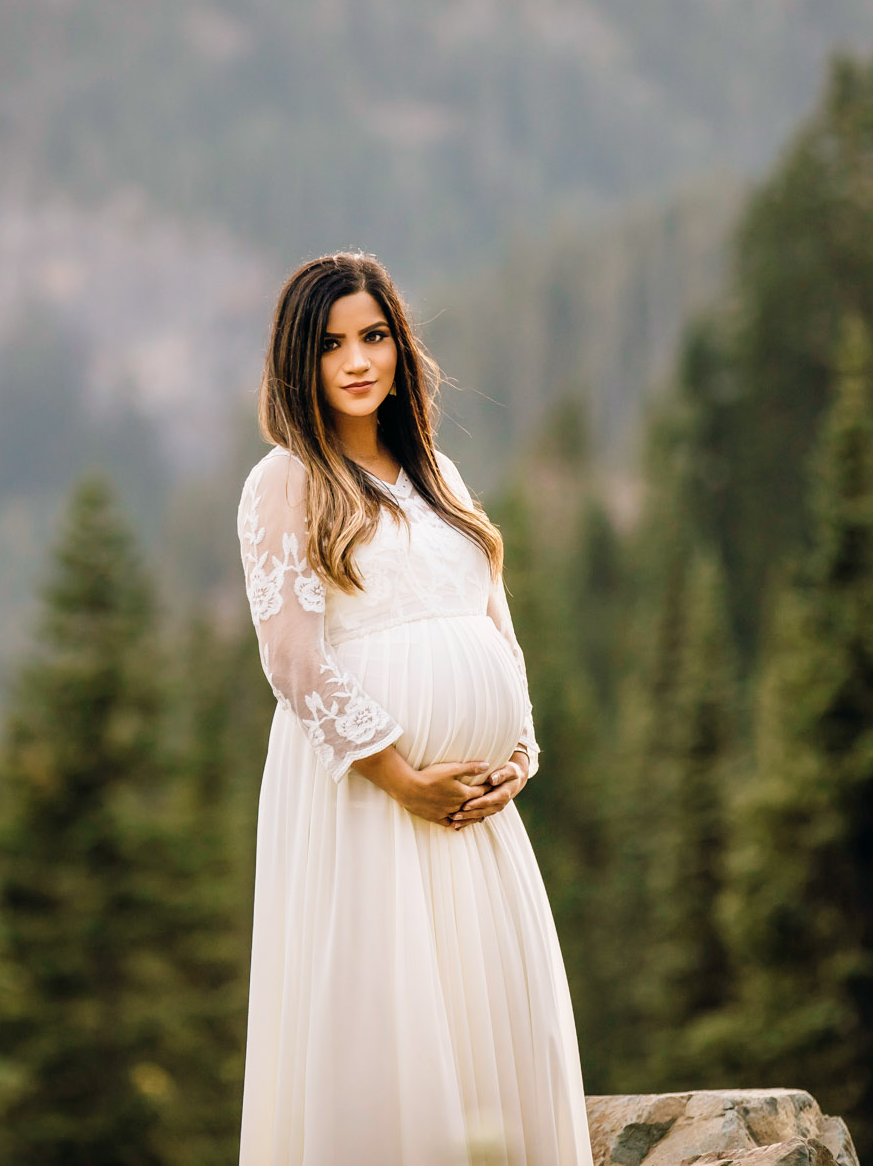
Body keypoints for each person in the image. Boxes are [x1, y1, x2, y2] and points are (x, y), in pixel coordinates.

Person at [236, 251, 594, 1165]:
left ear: (400, 345)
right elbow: (293, 658)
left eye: (375, 336)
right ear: (298, 361)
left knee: (494, 1022)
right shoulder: (285, 481)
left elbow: (495, 628)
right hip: (368, 805)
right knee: (386, 1031)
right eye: (332, 345)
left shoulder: (439, 473)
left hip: (475, 815)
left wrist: (519, 753)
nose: (358, 361)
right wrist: (400, 776)